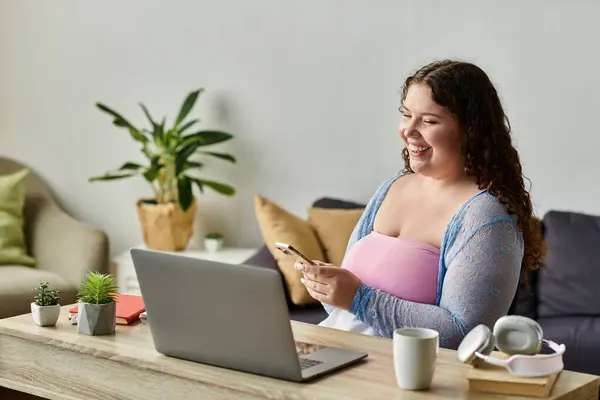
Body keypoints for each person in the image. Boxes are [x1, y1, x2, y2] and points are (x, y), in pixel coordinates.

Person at [295, 59, 545, 349]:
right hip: (334, 360)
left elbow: (466, 333)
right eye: (406, 115)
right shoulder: (392, 188)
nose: (408, 131)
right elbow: (346, 312)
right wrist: (329, 287)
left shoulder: (487, 215)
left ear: (470, 130)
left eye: (428, 121)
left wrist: (358, 298)